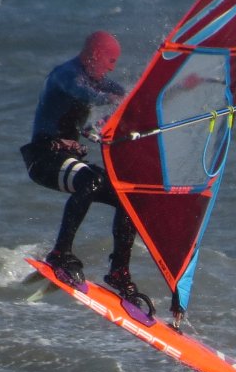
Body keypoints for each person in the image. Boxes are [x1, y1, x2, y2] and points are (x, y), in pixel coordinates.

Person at [21, 31, 153, 314]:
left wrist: (174, 90)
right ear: (94, 54)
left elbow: (121, 91)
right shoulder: (66, 75)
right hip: (44, 159)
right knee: (91, 180)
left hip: (64, 160)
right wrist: (117, 97)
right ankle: (60, 254)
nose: (112, 67)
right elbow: (85, 93)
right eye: (110, 60)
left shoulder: (93, 77)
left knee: (127, 198)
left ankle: (119, 272)